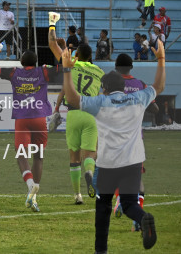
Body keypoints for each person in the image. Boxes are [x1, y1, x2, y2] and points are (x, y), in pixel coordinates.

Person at [61, 40, 164, 252]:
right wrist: (161, 59)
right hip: (133, 163)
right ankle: (143, 218)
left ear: (105, 88)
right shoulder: (138, 98)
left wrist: (67, 70)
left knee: (103, 207)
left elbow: (72, 98)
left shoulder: (101, 102)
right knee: (129, 204)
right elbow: (159, 86)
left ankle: (101, 250)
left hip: (108, 164)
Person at [0, 45, 52, 212]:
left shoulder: (14, 72)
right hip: (39, 118)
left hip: (22, 118)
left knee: (21, 155)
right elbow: (64, 69)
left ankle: (30, 185)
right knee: (39, 157)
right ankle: (34, 196)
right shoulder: (43, 71)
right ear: (35, 62)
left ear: (22, 61)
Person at [49, 13, 104, 205]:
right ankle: (89, 171)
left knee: (73, 157)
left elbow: (51, 44)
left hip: (72, 113)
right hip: (90, 115)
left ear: (77, 55)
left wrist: (52, 24)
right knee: (91, 154)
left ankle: (77, 195)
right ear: (91, 57)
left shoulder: (71, 64)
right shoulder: (99, 72)